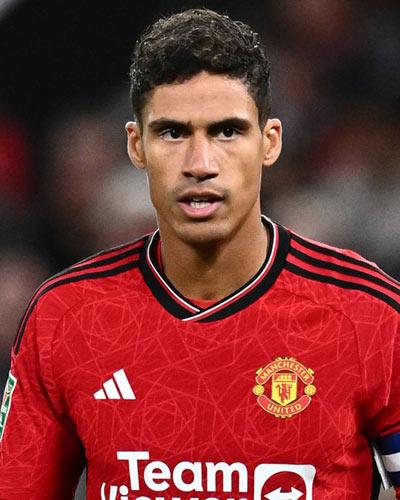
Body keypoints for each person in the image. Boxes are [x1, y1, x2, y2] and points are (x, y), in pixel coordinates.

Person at [0, 8, 399, 500]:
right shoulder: (65, 318)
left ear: (269, 142)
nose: (201, 164)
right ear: (136, 145)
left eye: (227, 131)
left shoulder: (370, 318)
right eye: (173, 132)